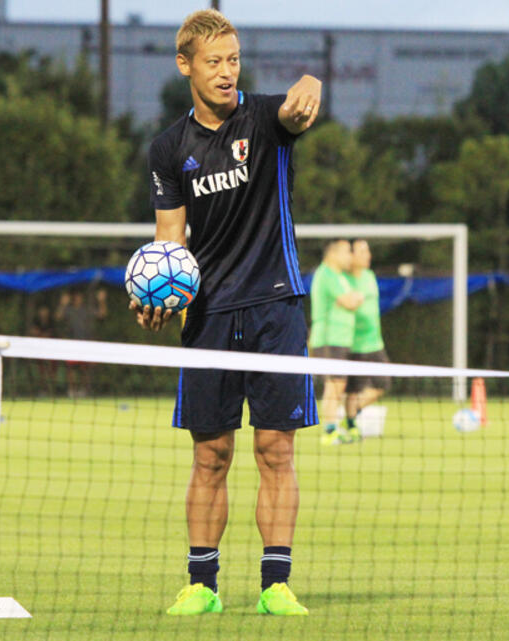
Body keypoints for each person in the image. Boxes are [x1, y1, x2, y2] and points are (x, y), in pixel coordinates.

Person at [132, 9, 321, 617]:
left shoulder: (266, 118)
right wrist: (161, 292)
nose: (225, 72)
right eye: (213, 61)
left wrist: (309, 88)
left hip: (275, 305)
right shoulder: (168, 149)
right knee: (210, 454)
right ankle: (202, 585)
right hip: (209, 316)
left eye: (233, 59)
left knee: (276, 449)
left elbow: (298, 108)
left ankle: (275, 585)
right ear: (185, 65)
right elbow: (170, 241)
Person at [308, 240, 364, 445]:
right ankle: (330, 430)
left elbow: (352, 299)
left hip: (340, 339)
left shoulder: (340, 277)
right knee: (334, 385)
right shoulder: (327, 273)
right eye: (347, 253)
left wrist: (355, 297)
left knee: (338, 384)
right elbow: (350, 301)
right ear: (334, 254)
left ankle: (333, 427)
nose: (350, 257)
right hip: (328, 338)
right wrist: (356, 298)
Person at [343, 240, 391, 434]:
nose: (368, 255)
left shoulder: (370, 276)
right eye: (363, 251)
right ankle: (350, 424)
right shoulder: (343, 279)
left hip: (375, 342)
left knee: (383, 383)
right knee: (353, 389)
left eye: (368, 251)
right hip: (354, 344)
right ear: (351, 255)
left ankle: (350, 414)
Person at [56, 288, 107, 396]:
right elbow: (58, 317)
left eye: (79, 297)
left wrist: (101, 300)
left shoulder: (87, 310)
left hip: (86, 343)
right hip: (71, 343)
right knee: (70, 369)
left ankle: (84, 390)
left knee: (85, 369)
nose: (78, 299)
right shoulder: (68, 309)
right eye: (75, 297)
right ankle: (71, 391)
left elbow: (102, 314)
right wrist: (62, 304)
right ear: (73, 299)